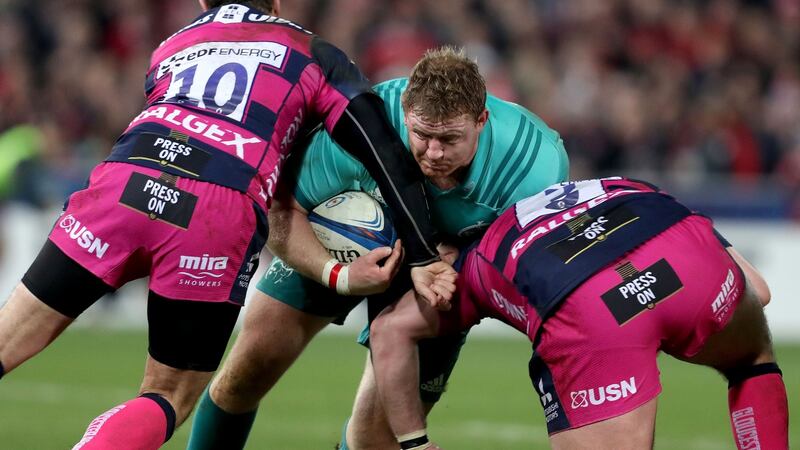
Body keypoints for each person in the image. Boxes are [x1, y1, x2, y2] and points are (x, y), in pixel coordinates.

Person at [0, 1, 457, 448]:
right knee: (167, 395)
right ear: (275, 3)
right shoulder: (314, 53)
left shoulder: (171, 45)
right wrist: (419, 253)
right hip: (217, 203)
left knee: (9, 337)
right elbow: (384, 150)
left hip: (125, 178)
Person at [186, 46, 569, 449]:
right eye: (421, 135)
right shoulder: (359, 126)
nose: (433, 153)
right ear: (404, 113)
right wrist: (340, 275)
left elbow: (526, 261)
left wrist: (467, 255)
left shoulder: (535, 166)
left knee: (374, 441)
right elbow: (282, 213)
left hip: (444, 276)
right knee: (240, 379)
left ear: (482, 120)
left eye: (449, 139)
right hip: (340, 244)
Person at [369, 177, 789, 450]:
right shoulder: (619, 183)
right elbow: (761, 291)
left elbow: (390, 329)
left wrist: (415, 443)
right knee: (752, 360)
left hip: (593, 311)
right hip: (687, 258)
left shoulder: (479, 258)